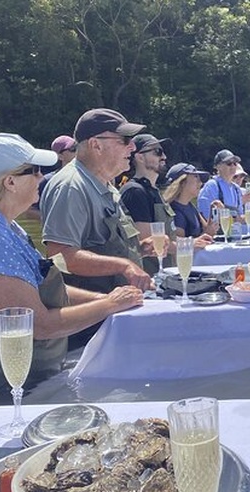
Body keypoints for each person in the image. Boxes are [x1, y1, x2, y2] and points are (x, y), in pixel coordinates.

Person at [0, 133, 143, 401]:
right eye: (34, 171)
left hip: (25, 379)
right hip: (1, 391)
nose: (42, 178)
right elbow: (36, 325)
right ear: (9, 182)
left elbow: (36, 288)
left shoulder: (0, 223)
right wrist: (109, 306)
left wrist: (109, 300)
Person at [40, 108, 153, 347]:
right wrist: (124, 264)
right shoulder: (71, 187)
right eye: (124, 140)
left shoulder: (105, 184)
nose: (132, 148)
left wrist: (137, 251)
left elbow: (100, 244)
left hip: (114, 318)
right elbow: (60, 256)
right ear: (95, 144)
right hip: (90, 330)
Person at [119, 133, 173, 275]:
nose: (164, 157)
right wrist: (190, 246)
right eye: (157, 152)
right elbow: (149, 242)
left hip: (165, 274)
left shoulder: (153, 190)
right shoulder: (135, 192)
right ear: (140, 157)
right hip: (150, 277)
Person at [163, 162, 217, 248]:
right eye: (196, 179)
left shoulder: (190, 205)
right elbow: (179, 246)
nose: (200, 184)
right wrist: (207, 233)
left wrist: (214, 211)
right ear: (182, 182)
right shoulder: (174, 211)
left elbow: (207, 230)